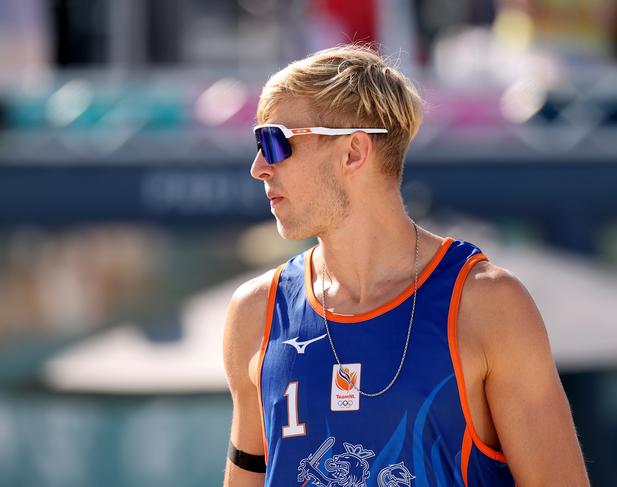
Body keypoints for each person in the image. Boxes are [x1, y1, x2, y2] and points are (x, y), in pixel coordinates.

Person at [222, 44, 589, 486]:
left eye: (275, 142)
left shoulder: (488, 305)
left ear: (354, 151)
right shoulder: (255, 313)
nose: (258, 166)